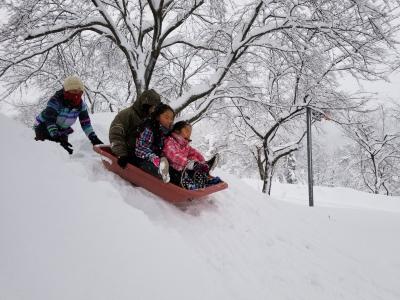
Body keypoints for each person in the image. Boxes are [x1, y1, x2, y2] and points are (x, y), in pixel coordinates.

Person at [34, 75, 103, 154]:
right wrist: (57, 138)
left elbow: (85, 123)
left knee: (65, 152)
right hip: (43, 126)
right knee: (48, 151)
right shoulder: (56, 100)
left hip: (62, 129)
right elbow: (50, 120)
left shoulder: (81, 105)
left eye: (79, 91)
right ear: (66, 90)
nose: (76, 94)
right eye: (73, 91)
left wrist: (93, 138)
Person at [109, 89, 161, 168]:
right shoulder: (126, 114)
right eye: (152, 107)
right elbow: (116, 134)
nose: (153, 110)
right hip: (128, 153)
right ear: (145, 105)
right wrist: (122, 154)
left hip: (143, 154)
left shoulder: (150, 119)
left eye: (155, 107)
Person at [162, 121, 220, 190]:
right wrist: (190, 163)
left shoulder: (185, 145)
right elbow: (174, 156)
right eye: (186, 130)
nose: (189, 133)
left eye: (190, 131)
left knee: (194, 161)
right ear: (177, 131)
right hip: (170, 168)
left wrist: (201, 162)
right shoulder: (170, 141)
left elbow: (194, 153)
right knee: (181, 173)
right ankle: (189, 184)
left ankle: (205, 179)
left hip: (183, 168)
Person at [135, 104, 175, 183]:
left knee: (173, 170)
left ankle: (170, 176)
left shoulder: (167, 133)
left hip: (159, 159)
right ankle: (162, 174)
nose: (169, 121)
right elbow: (140, 148)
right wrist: (153, 157)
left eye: (171, 119)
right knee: (152, 167)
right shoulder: (150, 128)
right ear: (157, 117)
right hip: (142, 158)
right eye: (166, 117)